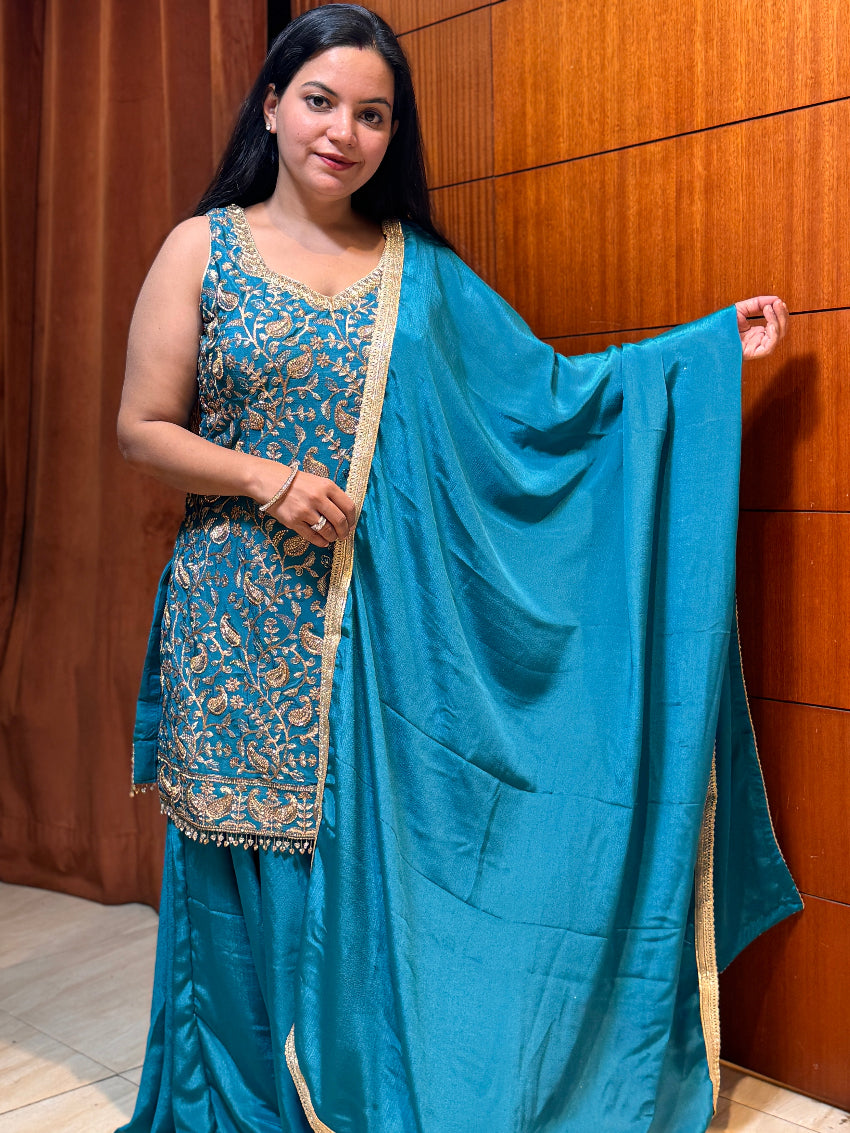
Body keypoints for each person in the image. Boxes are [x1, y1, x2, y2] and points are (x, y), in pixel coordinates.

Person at [116, 6, 798, 1133]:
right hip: (234, 619)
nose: (345, 131)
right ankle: (232, 1106)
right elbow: (142, 426)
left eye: (373, 114)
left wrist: (699, 353)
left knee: (363, 884)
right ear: (274, 104)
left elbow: (545, 405)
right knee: (241, 883)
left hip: (379, 634)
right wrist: (268, 478)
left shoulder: (416, 272)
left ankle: (346, 1095)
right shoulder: (204, 246)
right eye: (323, 100)